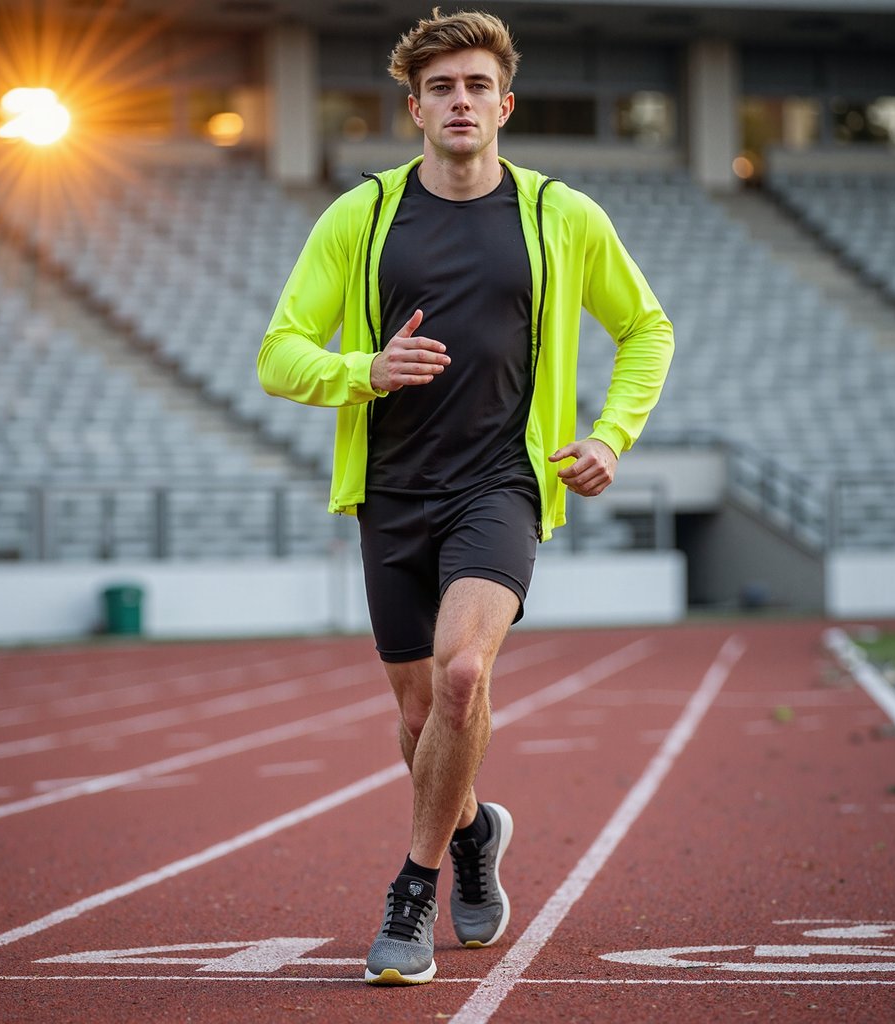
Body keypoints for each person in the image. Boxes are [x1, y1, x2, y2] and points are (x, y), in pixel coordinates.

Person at [257, 7, 674, 986]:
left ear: (505, 105)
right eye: (441, 87)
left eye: (477, 85)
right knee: (416, 716)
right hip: (390, 493)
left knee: (458, 677)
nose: (460, 101)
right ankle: (478, 826)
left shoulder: (558, 215)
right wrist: (365, 367)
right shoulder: (358, 216)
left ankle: (412, 887)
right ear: (413, 108)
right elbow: (279, 354)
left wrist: (610, 435)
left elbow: (645, 330)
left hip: (500, 487)